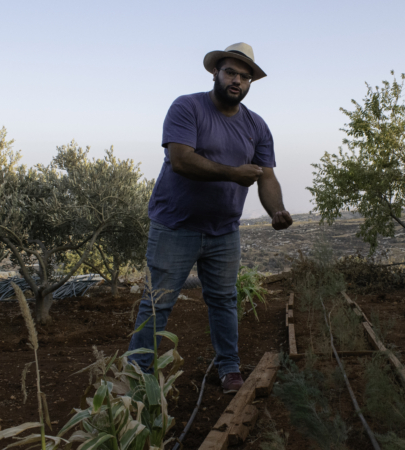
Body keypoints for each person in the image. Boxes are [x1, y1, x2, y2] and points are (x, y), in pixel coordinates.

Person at [127, 43, 292, 394]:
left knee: (223, 300)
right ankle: (135, 375)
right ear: (215, 73)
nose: (237, 81)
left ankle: (229, 368)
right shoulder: (187, 107)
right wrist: (232, 173)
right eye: (231, 72)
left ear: (250, 83)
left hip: (223, 231)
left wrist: (275, 209)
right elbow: (182, 160)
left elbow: (267, 176)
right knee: (158, 302)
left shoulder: (256, 126)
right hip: (175, 225)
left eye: (245, 76)